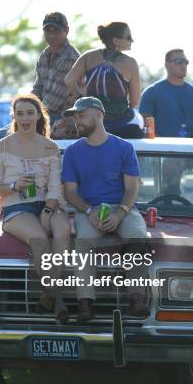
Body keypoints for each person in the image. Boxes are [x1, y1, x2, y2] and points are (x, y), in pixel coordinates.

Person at [0, 94, 71, 323]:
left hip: (48, 205)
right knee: (39, 238)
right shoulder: (3, 145)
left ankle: (47, 296)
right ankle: (57, 298)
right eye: (20, 113)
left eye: (30, 113)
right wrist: (13, 185)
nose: (25, 118)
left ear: (39, 115)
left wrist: (49, 210)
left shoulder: (50, 146)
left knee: (63, 231)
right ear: (15, 117)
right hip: (16, 208)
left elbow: (55, 185)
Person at [62, 97, 149, 323]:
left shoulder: (124, 147)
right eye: (75, 117)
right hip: (88, 209)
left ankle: (137, 298)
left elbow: (131, 188)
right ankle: (85, 304)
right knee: (83, 242)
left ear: (98, 114)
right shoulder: (72, 152)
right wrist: (89, 210)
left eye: (81, 115)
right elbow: (70, 192)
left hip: (122, 207)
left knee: (138, 236)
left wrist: (120, 213)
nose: (77, 121)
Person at [64, 21, 143, 138]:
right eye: (128, 37)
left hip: (92, 119)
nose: (132, 40)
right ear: (115, 40)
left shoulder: (88, 56)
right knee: (139, 124)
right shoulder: (130, 63)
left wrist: (81, 99)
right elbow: (135, 101)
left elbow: (69, 80)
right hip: (120, 122)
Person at [139, 48, 193, 138]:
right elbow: (146, 129)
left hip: (189, 150)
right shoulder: (151, 92)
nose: (183, 65)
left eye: (186, 62)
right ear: (166, 64)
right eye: (179, 62)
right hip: (159, 150)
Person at [32, 12, 80, 127]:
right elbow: (38, 88)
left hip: (63, 118)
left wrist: (29, 113)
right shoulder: (45, 54)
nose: (52, 35)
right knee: (2, 135)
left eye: (56, 31)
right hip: (47, 114)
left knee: (2, 136)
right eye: (48, 30)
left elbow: (53, 102)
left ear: (66, 31)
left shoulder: (70, 58)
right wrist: (27, 104)